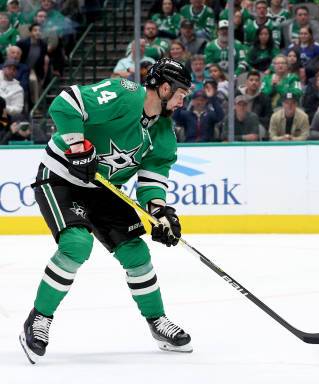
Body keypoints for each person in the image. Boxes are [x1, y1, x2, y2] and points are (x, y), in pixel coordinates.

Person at [19, 58, 194, 364]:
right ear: (165, 88)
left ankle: (157, 321)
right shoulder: (124, 93)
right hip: (63, 179)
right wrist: (77, 147)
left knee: (137, 254)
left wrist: (159, 211)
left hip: (103, 188)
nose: (183, 101)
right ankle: (38, 319)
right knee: (76, 244)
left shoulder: (163, 132)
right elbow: (64, 104)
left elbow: (151, 181)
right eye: (181, 93)